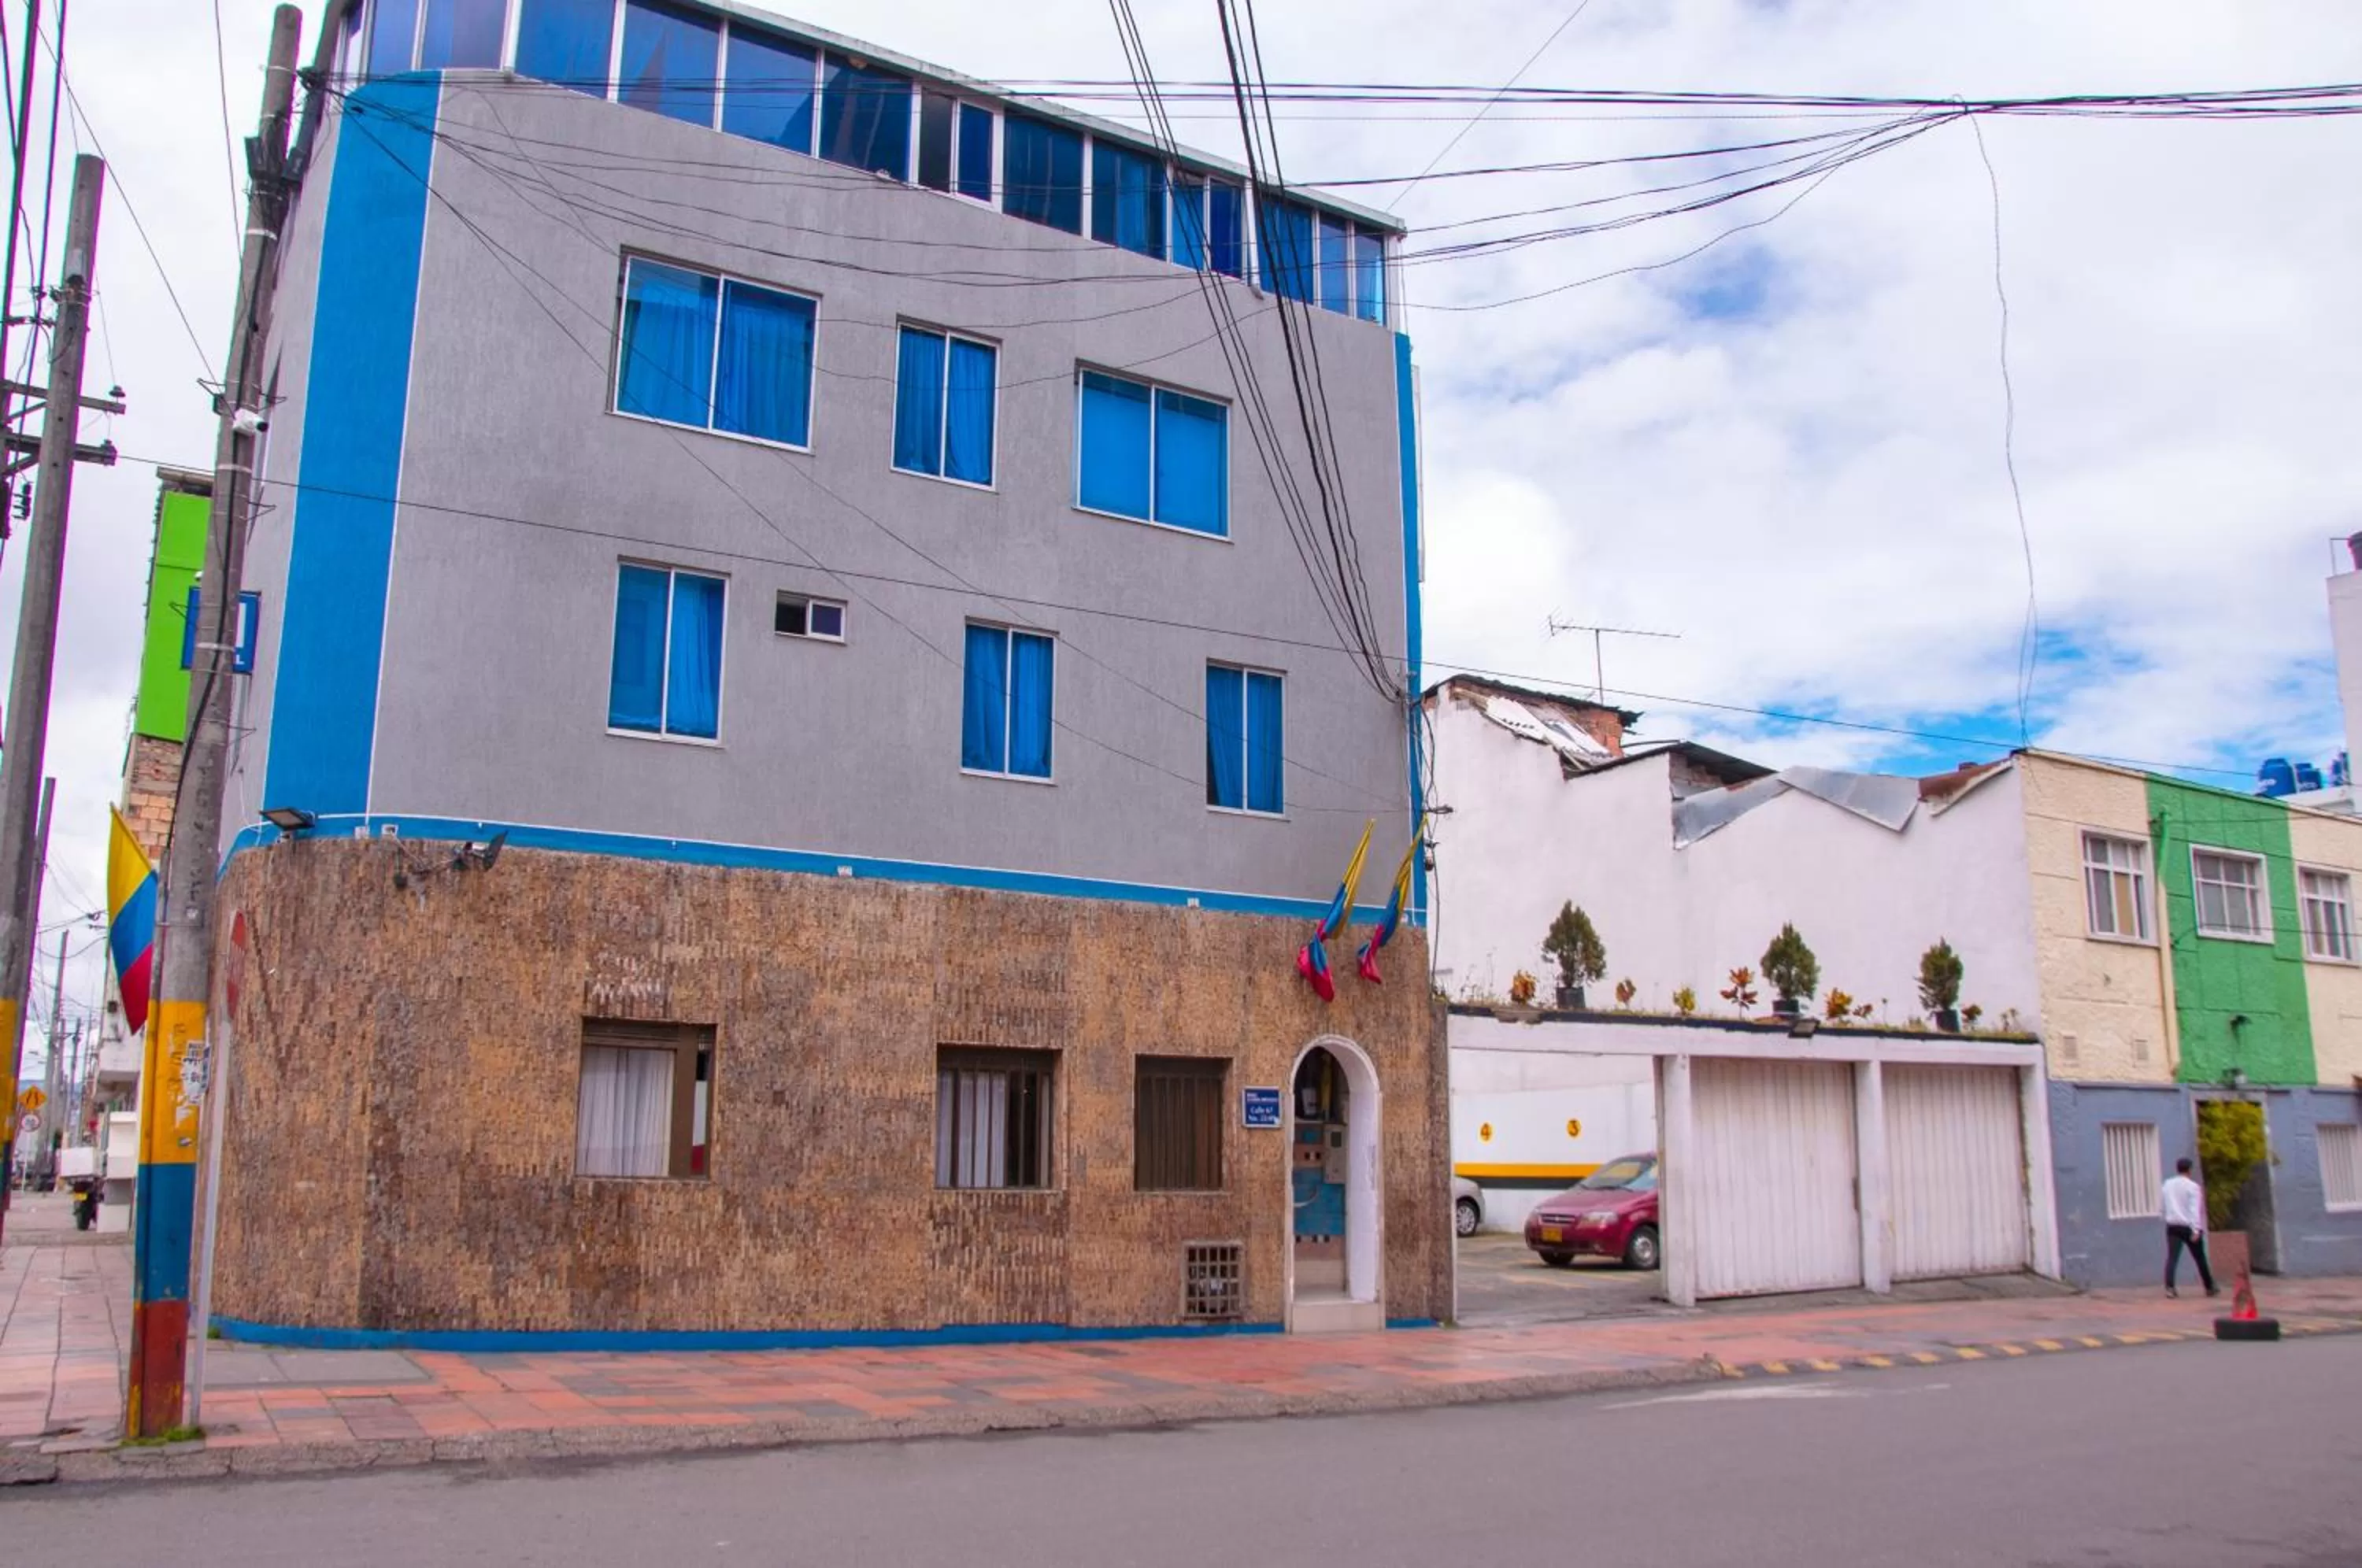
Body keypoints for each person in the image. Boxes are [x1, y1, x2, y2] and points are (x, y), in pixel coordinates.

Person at [2161, 1157, 2217, 1298]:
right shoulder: (2192, 1187)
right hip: (2188, 1226)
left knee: (2172, 1257)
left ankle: (2170, 1287)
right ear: (2190, 1170)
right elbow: (2194, 1209)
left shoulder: (2167, 1184)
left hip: (2172, 1225)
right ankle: (2209, 1286)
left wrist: (2165, 1216)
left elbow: (2162, 1204)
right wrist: (2196, 1229)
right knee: (2200, 1257)